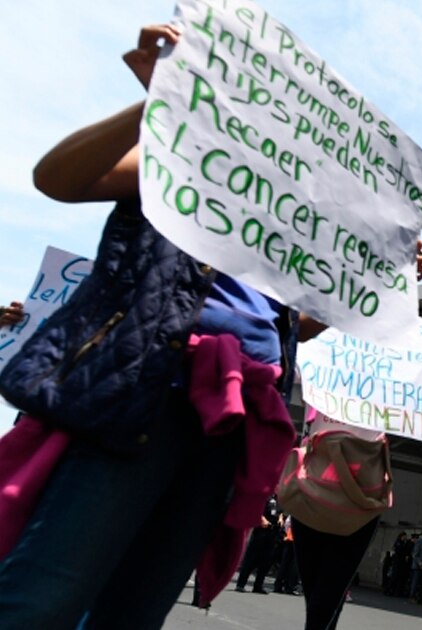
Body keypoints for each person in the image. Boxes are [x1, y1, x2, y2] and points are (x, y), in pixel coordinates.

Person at [0, 24, 303, 629]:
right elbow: (57, 179)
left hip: (233, 423)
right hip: (148, 389)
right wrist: (159, 100)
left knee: (139, 607)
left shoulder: (293, 221)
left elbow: (300, 325)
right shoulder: (188, 163)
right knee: (48, 593)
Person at [235, 495, 282, 594]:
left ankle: (258, 586)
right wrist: (261, 518)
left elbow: (280, 512)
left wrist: (280, 519)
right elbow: (256, 508)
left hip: (273, 533)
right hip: (261, 532)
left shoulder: (280, 500)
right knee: (251, 559)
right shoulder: (266, 497)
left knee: (266, 561)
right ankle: (241, 584)